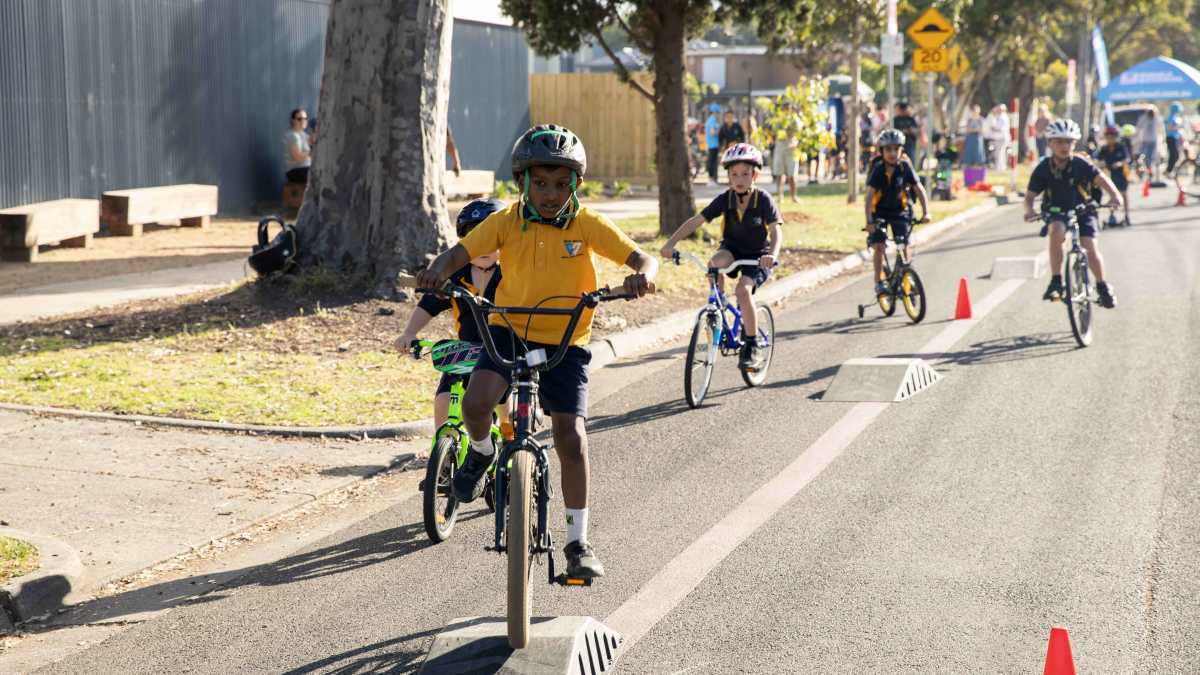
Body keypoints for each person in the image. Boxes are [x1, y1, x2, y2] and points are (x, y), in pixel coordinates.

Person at [415, 124, 657, 579]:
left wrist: (643, 274)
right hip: (508, 328)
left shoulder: (586, 224)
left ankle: (578, 541)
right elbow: (459, 253)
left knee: (571, 436)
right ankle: (484, 452)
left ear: (576, 185)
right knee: (475, 402)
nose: (550, 194)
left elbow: (641, 258)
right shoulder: (505, 221)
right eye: (540, 183)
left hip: (566, 337)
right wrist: (436, 271)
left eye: (562, 184)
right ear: (523, 182)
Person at [659, 143, 782, 369]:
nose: (740, 179)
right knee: (714, 264)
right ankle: (719, 307)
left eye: (745, 174)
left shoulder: (763, 199)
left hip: (758, 256)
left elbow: (776, 231)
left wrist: (771, 255)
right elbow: (696, 221)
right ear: (728, 176)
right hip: (732, 250)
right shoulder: (725, 199)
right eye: (734, 174)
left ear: (755, 175)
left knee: (743, 291)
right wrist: (671, 242)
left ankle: (752, 346)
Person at [396, 198, 507, 434]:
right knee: (444, 399)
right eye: (475, 239)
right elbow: (428, 305)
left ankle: (512, 445)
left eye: (490, 239)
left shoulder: (513, 272)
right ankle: (444, 451)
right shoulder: (456, 274)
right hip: (467, 350)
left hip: (503, 351)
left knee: (505, 405)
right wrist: (409, 332)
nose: (483, 246)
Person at [1023, 119, 1122, 309]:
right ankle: (1056, 281)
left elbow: (1102, 179)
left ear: (1074, 144)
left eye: (1068, 142)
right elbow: (1029, 197)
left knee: (1090, 247)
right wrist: (1029, 211)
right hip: (1056, 210)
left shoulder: (1080, 163)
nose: (1064, 146)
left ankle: (1102, 286)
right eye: (1059, 142)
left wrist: (1115, 196)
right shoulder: (1044, 168)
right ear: (1050, 143)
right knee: (1056, 231)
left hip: (1084, 209)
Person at [864, 129, 929, 295]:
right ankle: (878, 281)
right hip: (880, 212)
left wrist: (926, 212)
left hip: (900, 210)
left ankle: (905, 275)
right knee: (879, 245)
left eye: (896, 149)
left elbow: (918, 188)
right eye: (888, 149)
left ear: (901, 151)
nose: (892, 153)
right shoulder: (878, 170)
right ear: (882, 151)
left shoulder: (905, 167)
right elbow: (869, 197)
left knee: (904, 243)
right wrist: (869, 221)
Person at [1094, 126, 1131, 226]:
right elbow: (1098, 160)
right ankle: (1112, 215)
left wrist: (1119, 163)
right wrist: (1101, 164)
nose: (1110, 139)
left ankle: (1127, 215)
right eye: (1108, 137)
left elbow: (1127, 159)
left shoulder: (1121, 147)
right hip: (1109, 175)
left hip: (1121, 174)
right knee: (1111, 195)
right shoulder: (1104, 149)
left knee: (1123, 193)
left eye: (1112, 137)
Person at [771, 100, 801, 203]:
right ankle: (780, 196)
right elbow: (774, 132)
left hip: (791, 148)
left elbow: (799, 133)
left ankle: (794, 196)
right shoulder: (778, 120)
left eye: (789, 109)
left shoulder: (795, 120)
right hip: (780, 147)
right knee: (779, 174)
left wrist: (794, 141)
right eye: (785, 109)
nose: (787, 111)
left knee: (792, 174)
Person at [284, 108, 312, 183]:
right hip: (295, 170)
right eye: (299, 119)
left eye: (305, 118)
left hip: (306, 169)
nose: (303, 121)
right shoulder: (292, 135)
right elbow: (297, 157)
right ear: (293, 121)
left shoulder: (306, 136)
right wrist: (311, 153)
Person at [984, 104, 1011, 173]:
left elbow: (1000, 128)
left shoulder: (1004, 117)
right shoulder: (998, 116)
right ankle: (1000, 167)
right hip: (997, 138)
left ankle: (1000, 168)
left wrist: (994, 128)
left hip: (1002, 137)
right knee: (999, 153)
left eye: (1000, 109)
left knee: (999, 153)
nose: (999, 111)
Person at [1136, 108, 1160, 180]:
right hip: (1145, 141)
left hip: (1152, 141)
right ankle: (1142, 171)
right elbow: (1138, 127)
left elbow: (1159, 128)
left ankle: (1149, 171)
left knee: (1149, 158)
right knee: (1141, 156)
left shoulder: (1156, 118)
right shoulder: (1144, 118)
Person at [1166, 102, 1185, 175]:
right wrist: (1178, 128)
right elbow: (1169, 127)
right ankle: (1168, 171)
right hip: (1171, 138)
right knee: (1173, 155)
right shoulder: (1171, 117)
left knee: (1176, 155)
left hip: (1175, 138)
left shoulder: (1175, 117)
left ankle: (1170, 171)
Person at [705, 104, 722, 185]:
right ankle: (711, 180)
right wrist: (719, 131)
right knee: (712, 162)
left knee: (712, 161)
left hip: (712, 144)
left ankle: (712, 179)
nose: (718, 114)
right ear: (715, 112)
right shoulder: (712, 120)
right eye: (718, 112)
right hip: (713, 144)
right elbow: (712, 132)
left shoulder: (710, 120)